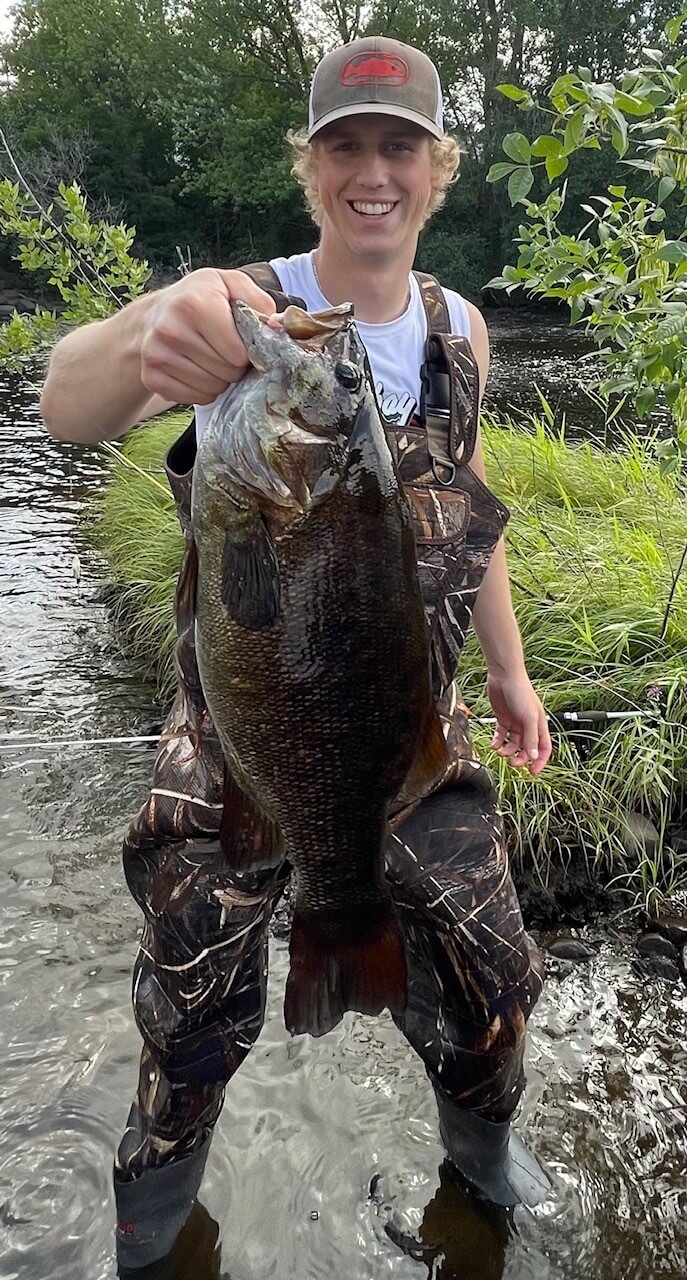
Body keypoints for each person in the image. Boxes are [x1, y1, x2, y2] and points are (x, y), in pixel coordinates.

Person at [41, 35, 553, 1275]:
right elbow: (66, 398)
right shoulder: (242, 311)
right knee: (191, 981)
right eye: (344, 147)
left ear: (437, 169)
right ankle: (158, 1212)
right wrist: (145, 334)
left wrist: (509, 671)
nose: (371, 172)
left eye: (399, 147)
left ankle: (479, 1158)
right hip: (242, 709)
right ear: (310, 166)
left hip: (407, 715)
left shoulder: (458, 330)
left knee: (493, 970)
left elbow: (471, 503)